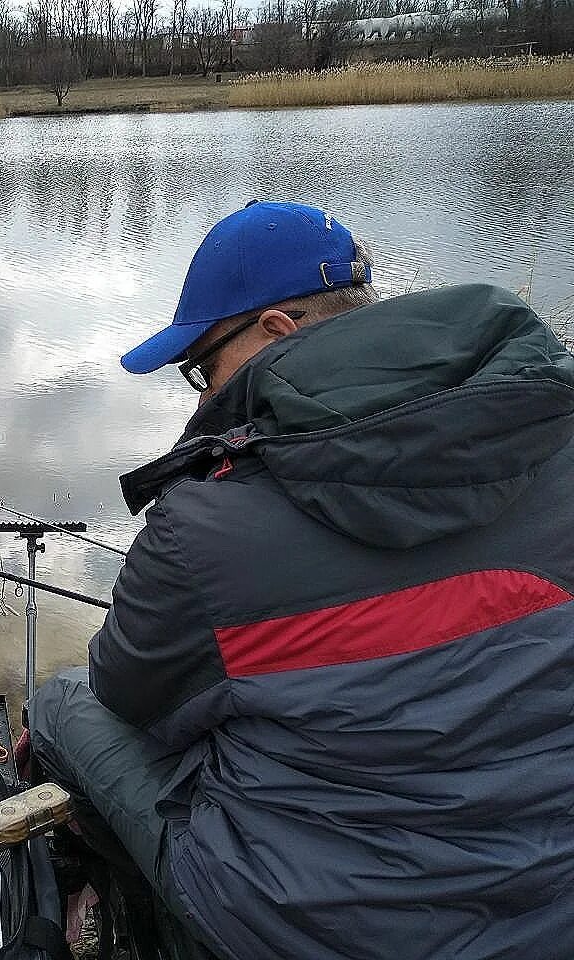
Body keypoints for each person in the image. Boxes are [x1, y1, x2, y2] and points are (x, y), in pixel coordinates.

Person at [30, 201, 574, 960]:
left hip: (308, 927)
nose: (201, 394)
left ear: (277, 333)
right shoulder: (555, 432)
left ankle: (153, 926)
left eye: (201, 367)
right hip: (549, 908)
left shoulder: (203, 527)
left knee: (62, 702)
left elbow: (127, 693)